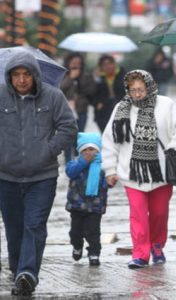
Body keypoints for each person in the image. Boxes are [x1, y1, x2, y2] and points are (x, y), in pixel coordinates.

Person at [0, 50, 77, 296]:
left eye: (26, 75)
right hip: (6, 177)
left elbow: (68, 126)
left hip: (42, 177)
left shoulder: (53, 97)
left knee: (34, 225)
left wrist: (48, 150)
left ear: (35, 75)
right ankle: (18, 270)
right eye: (16, 75)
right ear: (9, 77)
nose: (21, 80)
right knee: (14, 228)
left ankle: (28, 273)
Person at [102, 70, 176, 269]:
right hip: (131, 174)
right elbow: (110, 141)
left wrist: (173, 150)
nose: (137, 94)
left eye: (141, 89)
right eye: (132, 90)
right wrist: (110, 169)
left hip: (161, 173)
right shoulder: (121, 109)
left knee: (159, 213)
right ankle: (140, 254)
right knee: (138, 215)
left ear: (150, 87)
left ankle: (157, 245)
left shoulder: (166, 105)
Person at [65, 132, 108, 267]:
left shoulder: (103, 165)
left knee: (93, 232)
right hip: (77, 205)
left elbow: (108, 182)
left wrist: (109, 181)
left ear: (98, 150)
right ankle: (77, 246)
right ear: (80, 151)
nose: (88, 153)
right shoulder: (75, 163)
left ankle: (94, 253)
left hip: (95, 207)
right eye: (85, 150)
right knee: (75, 232)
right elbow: (70, 172)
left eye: (92, 149)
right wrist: (83, 161)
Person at [60, 52, 96, 162]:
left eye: (79, 63)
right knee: (67, 136)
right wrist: (71, 78)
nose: (76, 65)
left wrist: (80, 81)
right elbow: (60, 89)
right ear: (68, 62)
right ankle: (68, 161)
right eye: (74, 62)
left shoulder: (86, 76)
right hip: (66, 111)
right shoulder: (63, 75)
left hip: (81, 110)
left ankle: (78, 159)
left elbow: (91, 91)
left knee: (79, 136)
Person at [93, 54, 126, 132]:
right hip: (103, 111)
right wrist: (96, 79)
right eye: (104, 65)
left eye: (110, 63)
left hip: (120, 108)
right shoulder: (99, 78)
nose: (108, 66)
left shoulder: (123, 75)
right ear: (101, 67)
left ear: (114, 63)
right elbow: (93, 93)